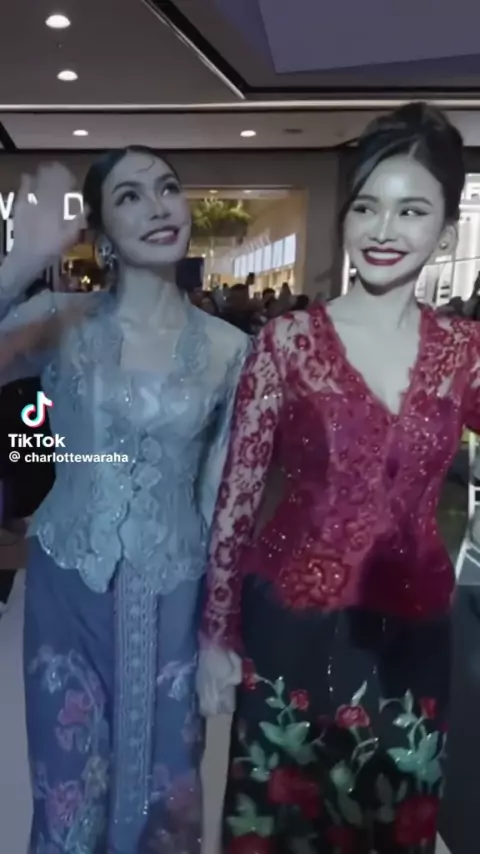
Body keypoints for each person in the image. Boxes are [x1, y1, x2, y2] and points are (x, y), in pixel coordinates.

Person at [198, 102, 474, 853]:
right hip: (290, 627)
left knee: (394, 820)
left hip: (412, 636)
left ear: (446, 234)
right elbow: (237, 497)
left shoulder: (465, 353)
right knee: (283, 824)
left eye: (412, 210)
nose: (384, 228)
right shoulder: (286, 341)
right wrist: (217, 633)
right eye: (367, 206)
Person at [0, 150, 249, 853]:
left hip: (177, 589)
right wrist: (19, 265)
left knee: (167, 785)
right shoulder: (60, 320)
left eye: (167, 188)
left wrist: (219, 634)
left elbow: (222, 500)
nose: (158, 206)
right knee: (68, 784)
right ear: (103, 232)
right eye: (131, 196)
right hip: (69, 581)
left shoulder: (231, 349)